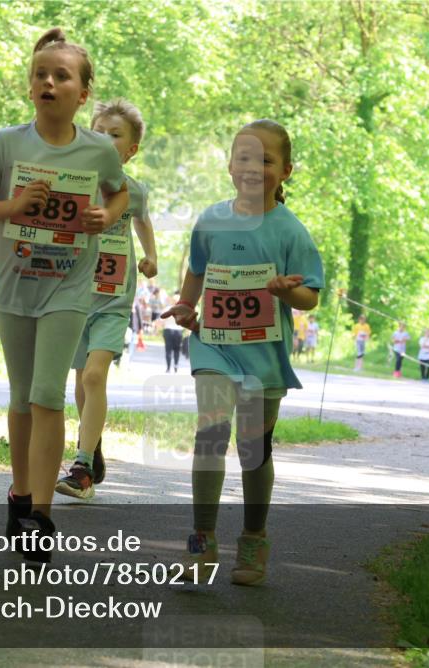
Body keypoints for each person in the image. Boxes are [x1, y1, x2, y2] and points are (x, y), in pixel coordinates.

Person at [0, 27, 128, 563]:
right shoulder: (7, 142)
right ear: (29, 87)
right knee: (19, 399)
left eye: (62, 76)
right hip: (14, 286)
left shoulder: (98, 150)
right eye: (40, 75)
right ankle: (19, 491)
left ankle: (40, 514)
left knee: (47, 395)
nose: (49, 82)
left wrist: (109, 215)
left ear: (82, 94)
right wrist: (15, 206)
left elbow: (120, 190)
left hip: (69, 288)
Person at [161, 119, 323, 586]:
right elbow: (197, 268)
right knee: (210, 434)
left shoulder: (291, 232)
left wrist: (287, 293)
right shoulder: (211, 220)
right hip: (213, 345)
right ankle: (201, 545)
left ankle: (253, 540)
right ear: (231, 166)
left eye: (266, 160)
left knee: (253, 450)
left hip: (264, 355)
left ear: (286, 170)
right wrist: (187, 305)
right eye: (244, 157)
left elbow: (310, 295)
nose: (253, 168)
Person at [56, 99, 158, 501]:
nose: (106, 140)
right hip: (74, 294)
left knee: (96, 375)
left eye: (115, 135)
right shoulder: (75, 181)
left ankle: (81, 467)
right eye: (99, 132)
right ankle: (92, 442)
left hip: (114, 298)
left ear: (131, 150)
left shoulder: (133, 191)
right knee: (81, 379)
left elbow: (143, 219)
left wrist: (151, 256)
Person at [163, 291, 185, 372]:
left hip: (168, 330)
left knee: (168, 349)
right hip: (178, 331)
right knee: (177, 349)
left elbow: (161, 320)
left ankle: (168, 367)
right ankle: (176, 365)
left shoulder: (167, 308)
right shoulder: (182, 310)